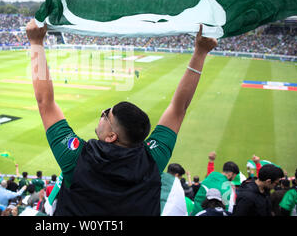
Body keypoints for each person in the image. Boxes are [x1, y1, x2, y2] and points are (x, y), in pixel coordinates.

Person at [26, 19, 217, 216]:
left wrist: (35, 43)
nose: (102, 114)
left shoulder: (76, 158)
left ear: (111, 136)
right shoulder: (153, 159)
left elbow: (45, 103)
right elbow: (179, 108)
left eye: (106, 115)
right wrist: (201, 53)